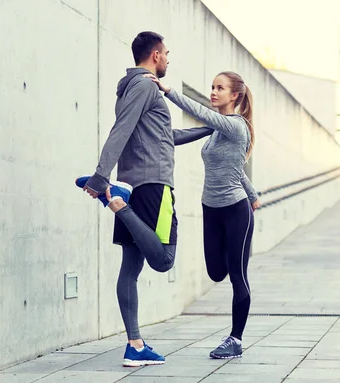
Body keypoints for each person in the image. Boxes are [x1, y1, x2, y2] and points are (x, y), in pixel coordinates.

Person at [81, 31, 211, 367]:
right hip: (153, 186)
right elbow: (120, 130)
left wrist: (209, 127)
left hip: (132, 181)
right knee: (164, 259)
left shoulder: (132, 90)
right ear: (155, 55)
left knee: (131, 266)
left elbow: (166, 136)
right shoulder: (146, 85)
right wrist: (99, 176)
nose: (168, 59)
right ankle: (117, 203)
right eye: (166, 53)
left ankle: (135, 346)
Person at [147, 71, 261, 359]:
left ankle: (236, 339)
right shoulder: (217, 131)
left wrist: (168, 91)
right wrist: (254, 192)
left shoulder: (234, 125)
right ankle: (234, 332)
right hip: (210, 208)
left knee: (237, 274)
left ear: (234, 96)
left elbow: (199, 113)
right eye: (212, 87)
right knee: (215, 271)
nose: (213, 92)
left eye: (219, 88)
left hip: (236, 210)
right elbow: (234, 166)